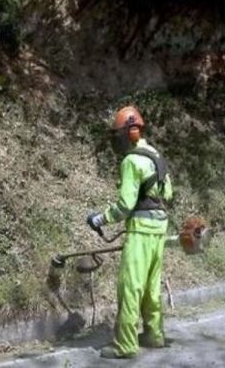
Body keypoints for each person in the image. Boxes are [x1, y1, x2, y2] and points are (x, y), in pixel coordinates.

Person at [87, 106, 173, 358]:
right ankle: (154, 334)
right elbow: (168, 194)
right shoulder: (157, 156)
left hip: (141, 232)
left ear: (126, 134)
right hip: (159, 229)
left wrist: (99, 219)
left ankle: (125, 345)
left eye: (117, 135)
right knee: (150, 286)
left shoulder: (131, 161)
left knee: (130, 287)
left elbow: (125, 205)